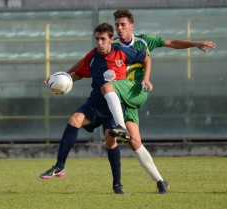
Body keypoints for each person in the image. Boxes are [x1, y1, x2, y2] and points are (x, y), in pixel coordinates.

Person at [101, 9, 217, 194]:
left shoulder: (144, 41)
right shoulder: (111, 45)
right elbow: (90, 62)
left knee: (107, 88)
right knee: (132, 141)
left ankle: (120, 127)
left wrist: (194, 43)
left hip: (136, 90)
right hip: (122, 98)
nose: (119, 28)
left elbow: (170, 43)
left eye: (123, 25)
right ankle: (161, 181)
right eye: (116, 25)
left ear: (132, 26)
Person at [39, 22, 152, 195]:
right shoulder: (92, 56)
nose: (99, 43)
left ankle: (117, 184)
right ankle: (60, 166)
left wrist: (146, 78)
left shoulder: (122, 52)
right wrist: (59, 78)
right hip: (95, 102)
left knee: (110, 140)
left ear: (111, 39)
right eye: (97, 39)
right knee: (75, 119)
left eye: (103, 39)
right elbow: (78, 74)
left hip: (114, 107)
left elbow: (145, 57)